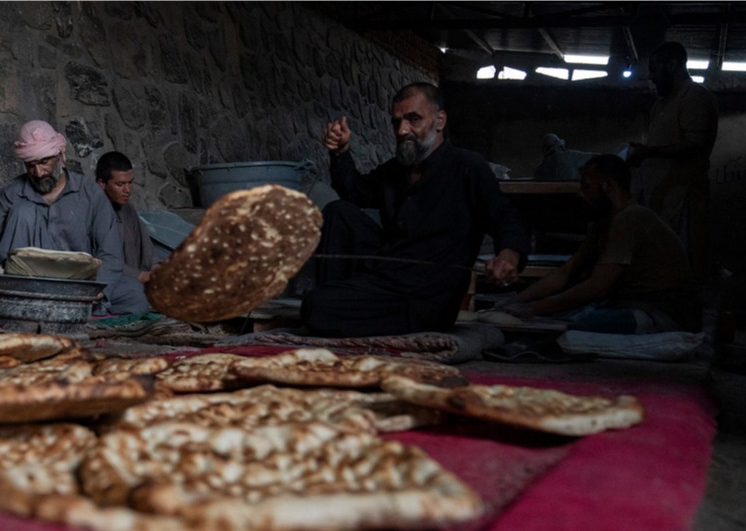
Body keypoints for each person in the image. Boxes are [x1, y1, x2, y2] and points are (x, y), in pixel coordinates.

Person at [301, 82, 530, 337]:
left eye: (414, 119)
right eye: (397, 122)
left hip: (425, 298)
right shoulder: (396, 170)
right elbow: (353, 192)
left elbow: (506, 218)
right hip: (387, 277)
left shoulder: (467, 167)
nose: (402, 130)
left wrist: (508, 257)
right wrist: (341, 151)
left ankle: (337, 306)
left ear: (439, 121)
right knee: (338, 212)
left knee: (316, 307)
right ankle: (341, 299)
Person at [502, 155, 701, 334]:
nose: (580, 194)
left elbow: (597, 287)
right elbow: (566, 272)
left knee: (573, 322)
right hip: (630, 305)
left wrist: (533, 309)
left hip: (664, 314)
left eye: (586, 187)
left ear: (608, 186)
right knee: (560, 314)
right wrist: (514, 302)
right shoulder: (603, 224)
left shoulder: (630, 218)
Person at [0, 120, 148, 315]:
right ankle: (53, 309)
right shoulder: (11, 195)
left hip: (77, 283)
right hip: (25, 284)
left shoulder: (90, 194)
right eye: (31, 166)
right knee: (23, 211)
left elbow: (110, 253)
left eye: (44, 162)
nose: (38, 172)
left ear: (60, 156)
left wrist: (97, 288)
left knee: (135, 296)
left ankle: (62, 308)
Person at [627, 41, 718, 280]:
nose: (651, 77)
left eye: (654, 69)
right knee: (661, 263)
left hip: (683, 196)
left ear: (671, 66)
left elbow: (694, 144)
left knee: (684, 264)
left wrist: (647, 152)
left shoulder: (695, 97)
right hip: (660, 196)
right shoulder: (660, 105)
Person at [96, 151, 160, 289]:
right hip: (111, 284)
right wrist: (140, 276)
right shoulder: (91, 212)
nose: (127, 190)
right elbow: (99, 261)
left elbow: (149, 254)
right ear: (102, 183)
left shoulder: (127, 208)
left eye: (130, 183)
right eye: (120, 184)